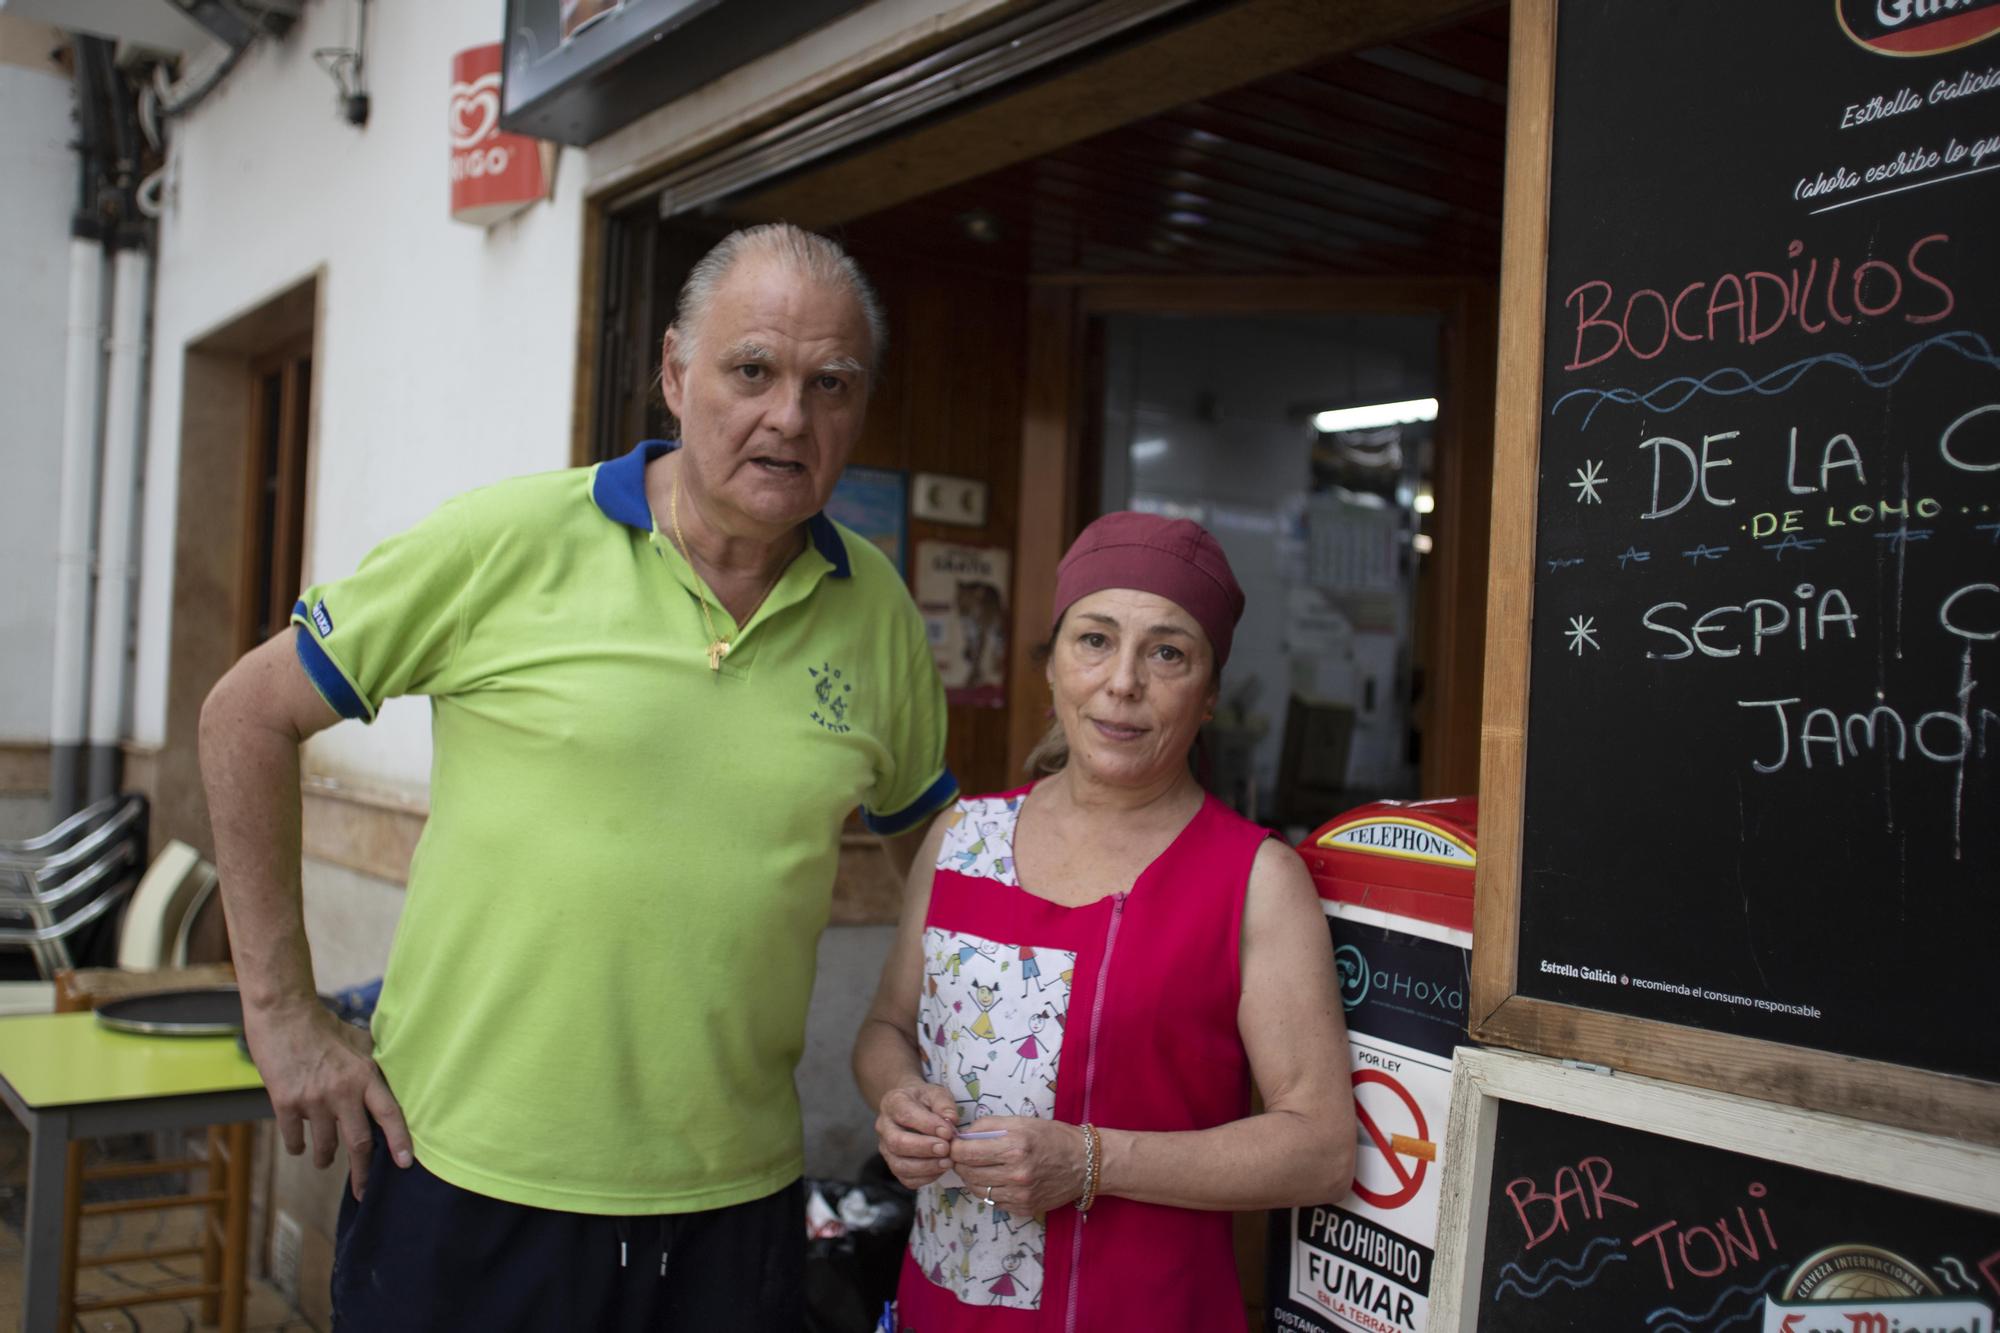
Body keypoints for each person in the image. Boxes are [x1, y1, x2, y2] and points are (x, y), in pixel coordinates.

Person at [199, 224, 957, 1331]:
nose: (788, 415)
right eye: (751, 369)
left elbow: (934, 840)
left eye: (827, 384)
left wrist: (938, 1039)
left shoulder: (877, 608)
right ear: (672, 372)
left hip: (729, 1205)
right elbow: (244, 716)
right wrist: (280, 1013)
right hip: (465, 1181)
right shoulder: (509, 541)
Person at [854, 511, 1355, 1331]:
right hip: (943, 1305)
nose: (1123, 681)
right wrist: (899, 1095)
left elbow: (1320, 1146)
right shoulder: (960, 838)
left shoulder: (1255, 879)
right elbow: (883, 1026)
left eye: (1167, 652)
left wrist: (1094, 1161)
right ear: (1052, 665)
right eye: (1094, 640)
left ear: (1210, 693)